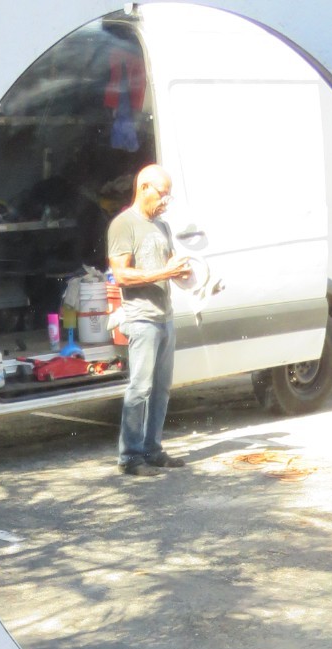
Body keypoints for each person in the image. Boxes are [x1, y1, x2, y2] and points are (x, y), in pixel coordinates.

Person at [107, 165, 192, 476]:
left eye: (168, 195)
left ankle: (152, 450)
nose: (165, 201)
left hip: (164, 315)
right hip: (142, 318)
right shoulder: (123, 225)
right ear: (143, 188)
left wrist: (186, 273)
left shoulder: (162, 227)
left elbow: (170, 267)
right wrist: (164, 273)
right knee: (140, 388)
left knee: (161, 389)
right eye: (162, 193)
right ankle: (129, 458)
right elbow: (121, 274)